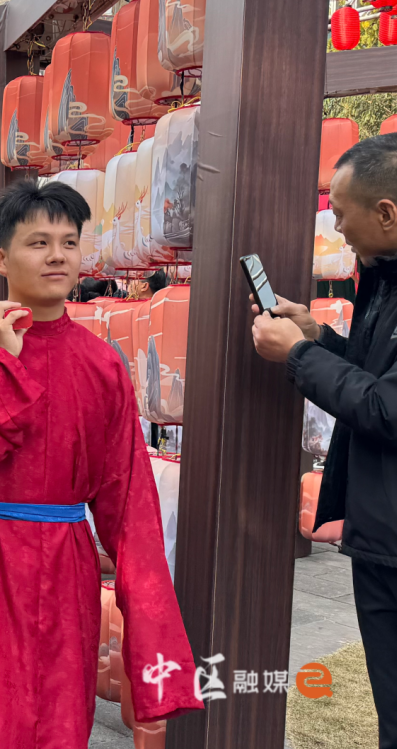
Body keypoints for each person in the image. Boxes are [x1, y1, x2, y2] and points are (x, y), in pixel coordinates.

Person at [0, 181, 201, 748]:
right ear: (1, 259)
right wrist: (2, 359)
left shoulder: (101, 364)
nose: (58, 255)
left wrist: (152, 632)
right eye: (39, 242)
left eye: (69, 242)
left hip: (65, 565)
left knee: (56, 712)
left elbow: (129, 502)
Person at [251, 133, 397, 748]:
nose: (336, 229)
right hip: (380, 536)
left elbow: (386, 407)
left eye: (340, 213)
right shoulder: (382, 277)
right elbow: (373, 373)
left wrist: (301, 356)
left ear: (386, 212)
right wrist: (315, 336)